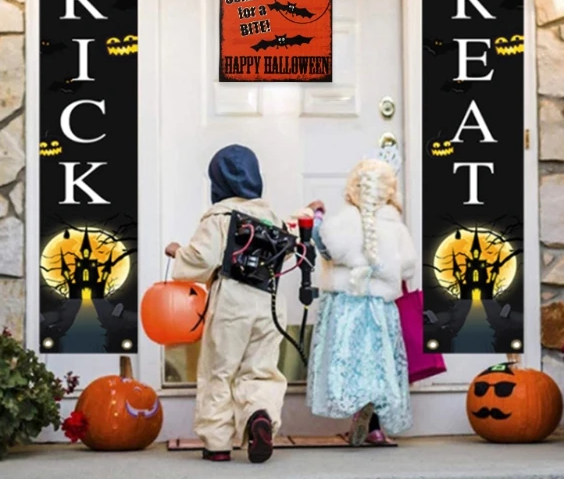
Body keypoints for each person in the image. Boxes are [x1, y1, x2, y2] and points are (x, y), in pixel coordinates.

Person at [164, 144, 299, 464]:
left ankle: (218, 443)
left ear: (218, 182)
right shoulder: (271, 216)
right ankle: (259, 415)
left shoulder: (219, 217)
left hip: (232, 304)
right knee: (260, 369)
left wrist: (177, 252)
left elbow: (202, 259)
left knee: (219, 371)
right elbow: (286, 253)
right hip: (269, 303)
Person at [305, 158, 417, 446]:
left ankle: (357, 413)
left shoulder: (342, 222)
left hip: (346, 305)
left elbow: (325, 247)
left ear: (352, 189)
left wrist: (317, 217)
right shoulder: (395, 227)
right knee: (377, 366)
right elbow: (407, 267)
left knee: (351, 363)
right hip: (380, 307)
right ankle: (375, 427)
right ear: (388, 192)